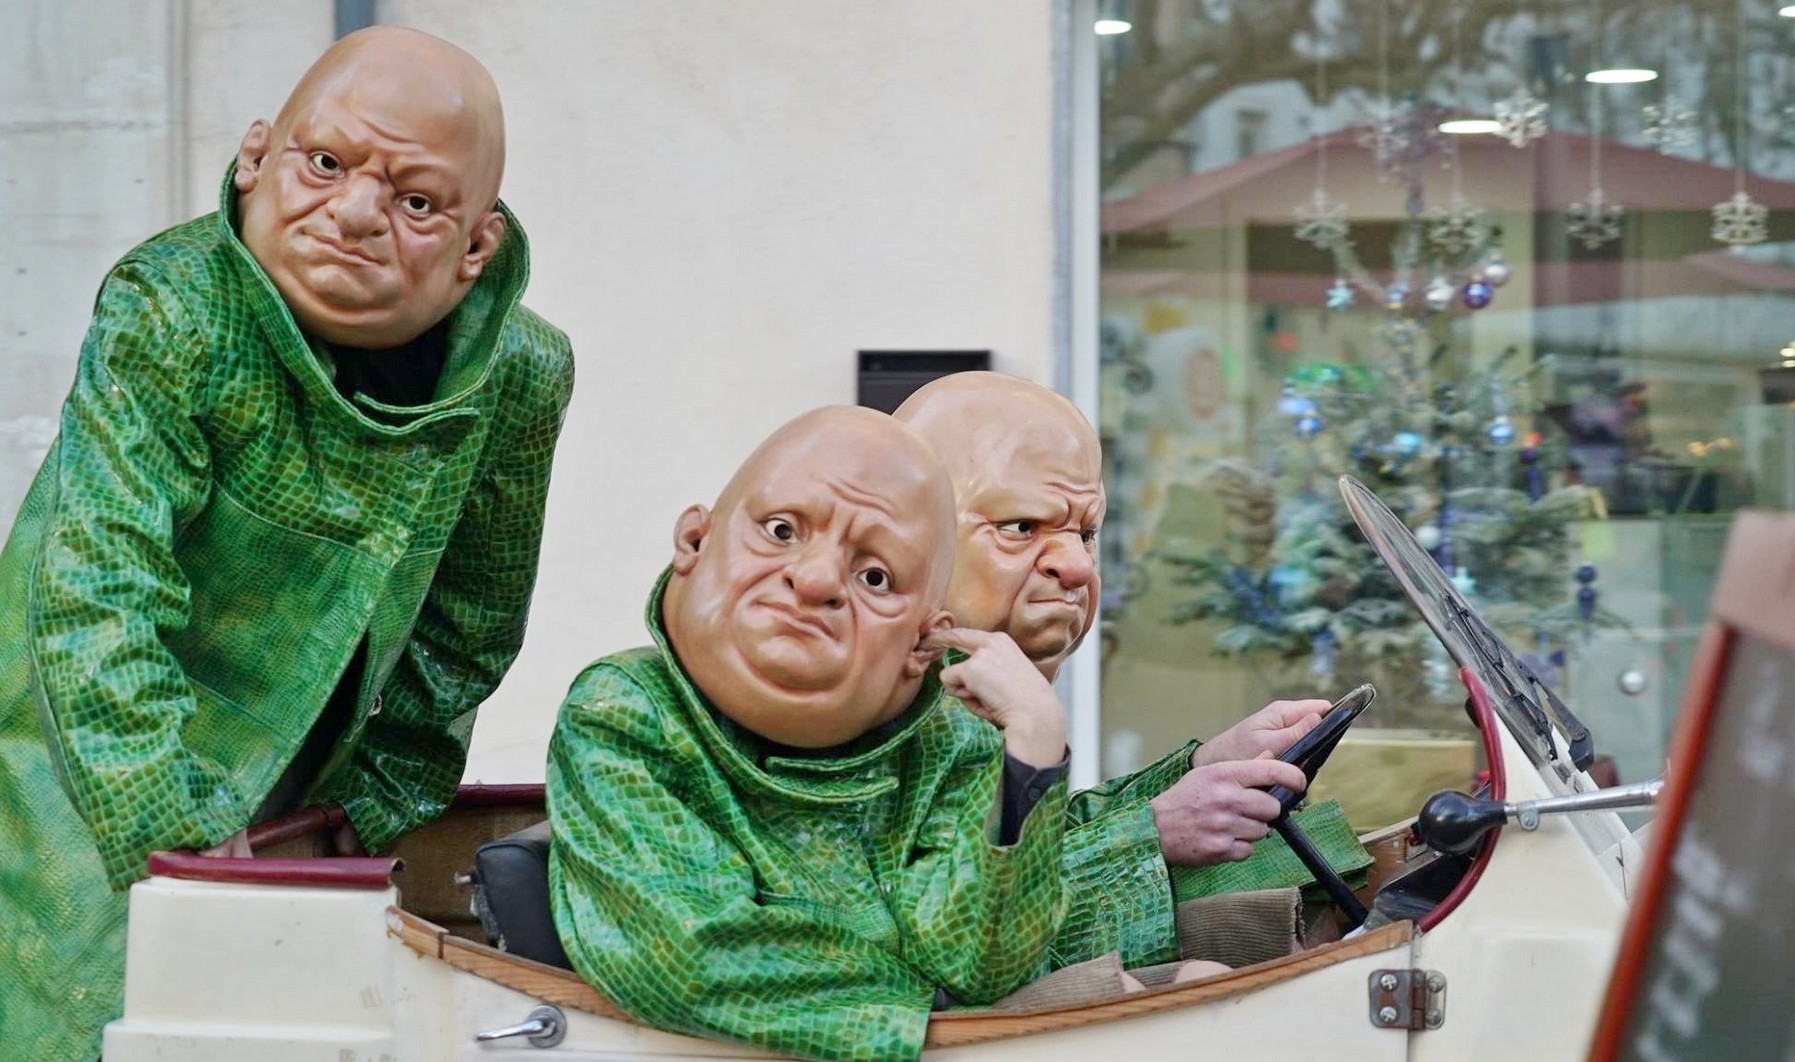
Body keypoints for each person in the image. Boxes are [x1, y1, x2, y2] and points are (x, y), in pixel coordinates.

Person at [0, 26, 573, 1060]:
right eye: (325, 163)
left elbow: (470, 625)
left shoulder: (517, 375)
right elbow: (97, 593)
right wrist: (175, 835)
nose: (352, 215)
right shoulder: (174, 308)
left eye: (416, 203)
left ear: (477, 247)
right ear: (255, 157)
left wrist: (377, 802)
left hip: (303, 800)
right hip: (76, 770)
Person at [547, 407, 1081, 1062]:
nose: (817, 580)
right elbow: (688, 950)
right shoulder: (627, 712)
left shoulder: (949, 748)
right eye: (781, 531)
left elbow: (981, 964)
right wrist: (931, 1010)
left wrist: (1034, 748)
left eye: (875, 577)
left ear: (923, 641)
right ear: (694, 541)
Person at [897, 372, 1369, 971]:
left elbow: (1044, 840)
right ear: (913, 536)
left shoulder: (962, 690)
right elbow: (950, 944)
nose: (1076, 565)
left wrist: (1200, 767)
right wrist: (1154, 832)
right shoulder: (872, 705)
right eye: (1020, 528)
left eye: (1085, 533)